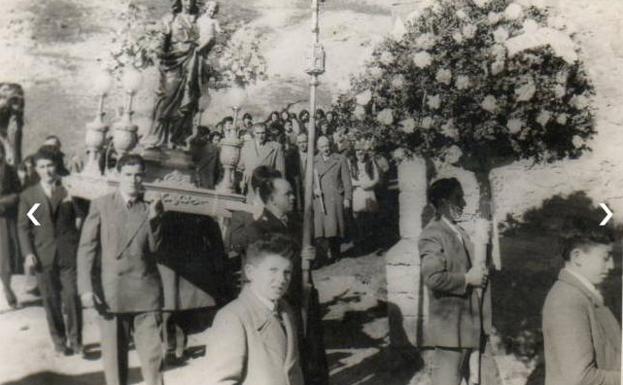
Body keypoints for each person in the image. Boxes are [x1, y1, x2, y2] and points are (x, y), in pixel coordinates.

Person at [77, 154, 165, 385]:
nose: (133, 180)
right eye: (128, 174)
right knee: (115, 366)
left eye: (138, 175)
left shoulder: (152, 207)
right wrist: (86, 288)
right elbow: (87, 249)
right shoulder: (101, 205)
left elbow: (157, 250)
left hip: (146, 294)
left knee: (154, 362)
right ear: (118, 175)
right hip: (112, 294)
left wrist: (156, 220)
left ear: (144, 177)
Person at [418, 178, 499, 385]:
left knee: (490, 380)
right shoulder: (432, 234)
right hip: (451, 329)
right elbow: (432, 278)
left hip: (473, 322)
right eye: (458, 198)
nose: (463, 203)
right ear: (444, 202)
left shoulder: (458, 231)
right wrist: (467, 279)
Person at [202, 233, 305, 385]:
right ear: (250, 272)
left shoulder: (285, 310)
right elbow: (220, 381)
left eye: (287, 272)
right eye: (273, 270)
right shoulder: (232, 317)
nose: (281, 279)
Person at [18, 148, 84, 354]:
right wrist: (29, 252)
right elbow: (27, 225)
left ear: (56, 166)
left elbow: (80, 218)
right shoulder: (31, 195)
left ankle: (77, 342)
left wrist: (75, 240)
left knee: (73, 296)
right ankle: (60, 342)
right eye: (42, 167)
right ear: (36, 169)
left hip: (68, 254)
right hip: (42, 255)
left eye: (50, 166)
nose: (47, 171)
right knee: (51, 301)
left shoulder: (68, 190)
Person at [542, 218, 620, 385]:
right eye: (605, 257)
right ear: (577, 257)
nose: (612, 265)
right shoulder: (566, 301)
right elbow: (580, 379)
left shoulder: (586, 296)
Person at [145, 0, 214, 148]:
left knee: (188, 99)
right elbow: (159, 45)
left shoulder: (200, 20)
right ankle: (157, 137)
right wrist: (162, 45)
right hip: (173, 62)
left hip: (193, 63)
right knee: (167, 98)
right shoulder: (171, 18)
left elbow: (207, 43)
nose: (189, 2)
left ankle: (177, 138)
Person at [313, 136, 352, 265]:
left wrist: (347, 198)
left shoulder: (340, 159)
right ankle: (323, 256)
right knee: (322, 229)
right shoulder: (313, 161)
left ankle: (336, 253)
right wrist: (314, 190)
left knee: (334, 227)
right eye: (323, 147)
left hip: (335, 197)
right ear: (318, 148)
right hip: (321, 199)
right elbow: (307, 182)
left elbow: (347, 180)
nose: (326, 149)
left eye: (327, 146)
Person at [349, 143, 380, 254]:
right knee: (359, 220)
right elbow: (350, 180)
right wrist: (359, 183)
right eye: (357, 152)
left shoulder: (371, 163)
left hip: (369, 192)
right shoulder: (352, 164)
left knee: (370, 218)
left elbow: (376, 178)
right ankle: (360, 245)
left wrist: (369, 184)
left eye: (362, 152)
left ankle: (371, 244)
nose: (360, 154)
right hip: (358, 193)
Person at [238, 123, 285, 195]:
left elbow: (280, 172)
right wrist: (241, 181)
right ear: (253, 133)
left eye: (263, 133)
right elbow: (240, 167)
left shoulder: (276, 147)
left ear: (266, 133)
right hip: (248, 189)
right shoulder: (246, 146)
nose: (260, 136)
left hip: (266, 189)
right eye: (258, 133)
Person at [0, 144, 19, 309]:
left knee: (5, 258)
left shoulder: (10, 171)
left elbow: (18, 194)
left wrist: (3, 203)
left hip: (4, 220)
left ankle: (7, 287)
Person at [285, 133, 308, 212]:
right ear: (297, 143)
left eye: (304, 142)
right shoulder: (292, 157)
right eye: (300, 142)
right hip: (297, 187)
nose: (302, 144)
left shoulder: (313, 155)